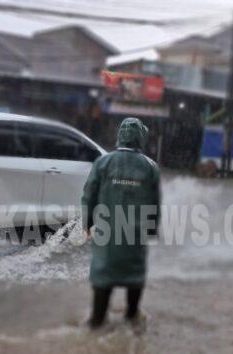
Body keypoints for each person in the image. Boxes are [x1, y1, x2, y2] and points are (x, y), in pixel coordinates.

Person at [81, 117, 161, 329]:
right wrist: (152, 229)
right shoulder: (151, 167)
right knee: (134, 279)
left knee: (103, 278)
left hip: (107, 237)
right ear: (141, 138)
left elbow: (89, 196)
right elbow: (154, 204)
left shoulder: (103, 163)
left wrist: (87, 223)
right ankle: (132, 319)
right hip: (134, 238)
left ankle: (96, 322)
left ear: (120, 136)